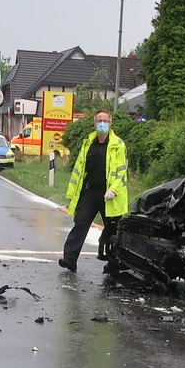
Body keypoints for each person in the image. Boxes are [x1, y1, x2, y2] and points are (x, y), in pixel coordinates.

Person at [59, 109, 128, 272]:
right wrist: (73, 194)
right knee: (80, 223)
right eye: (99, 121)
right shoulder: (88, 142)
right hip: (91, 192)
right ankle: (70, 259)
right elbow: (80, 169)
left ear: (111, 124)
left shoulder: (118, 144)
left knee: (112, 231)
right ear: (94, 123)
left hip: (110, 196)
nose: (102, 124)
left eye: (105, 121)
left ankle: (114, 265)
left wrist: (112, 190)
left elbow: (121, 171)